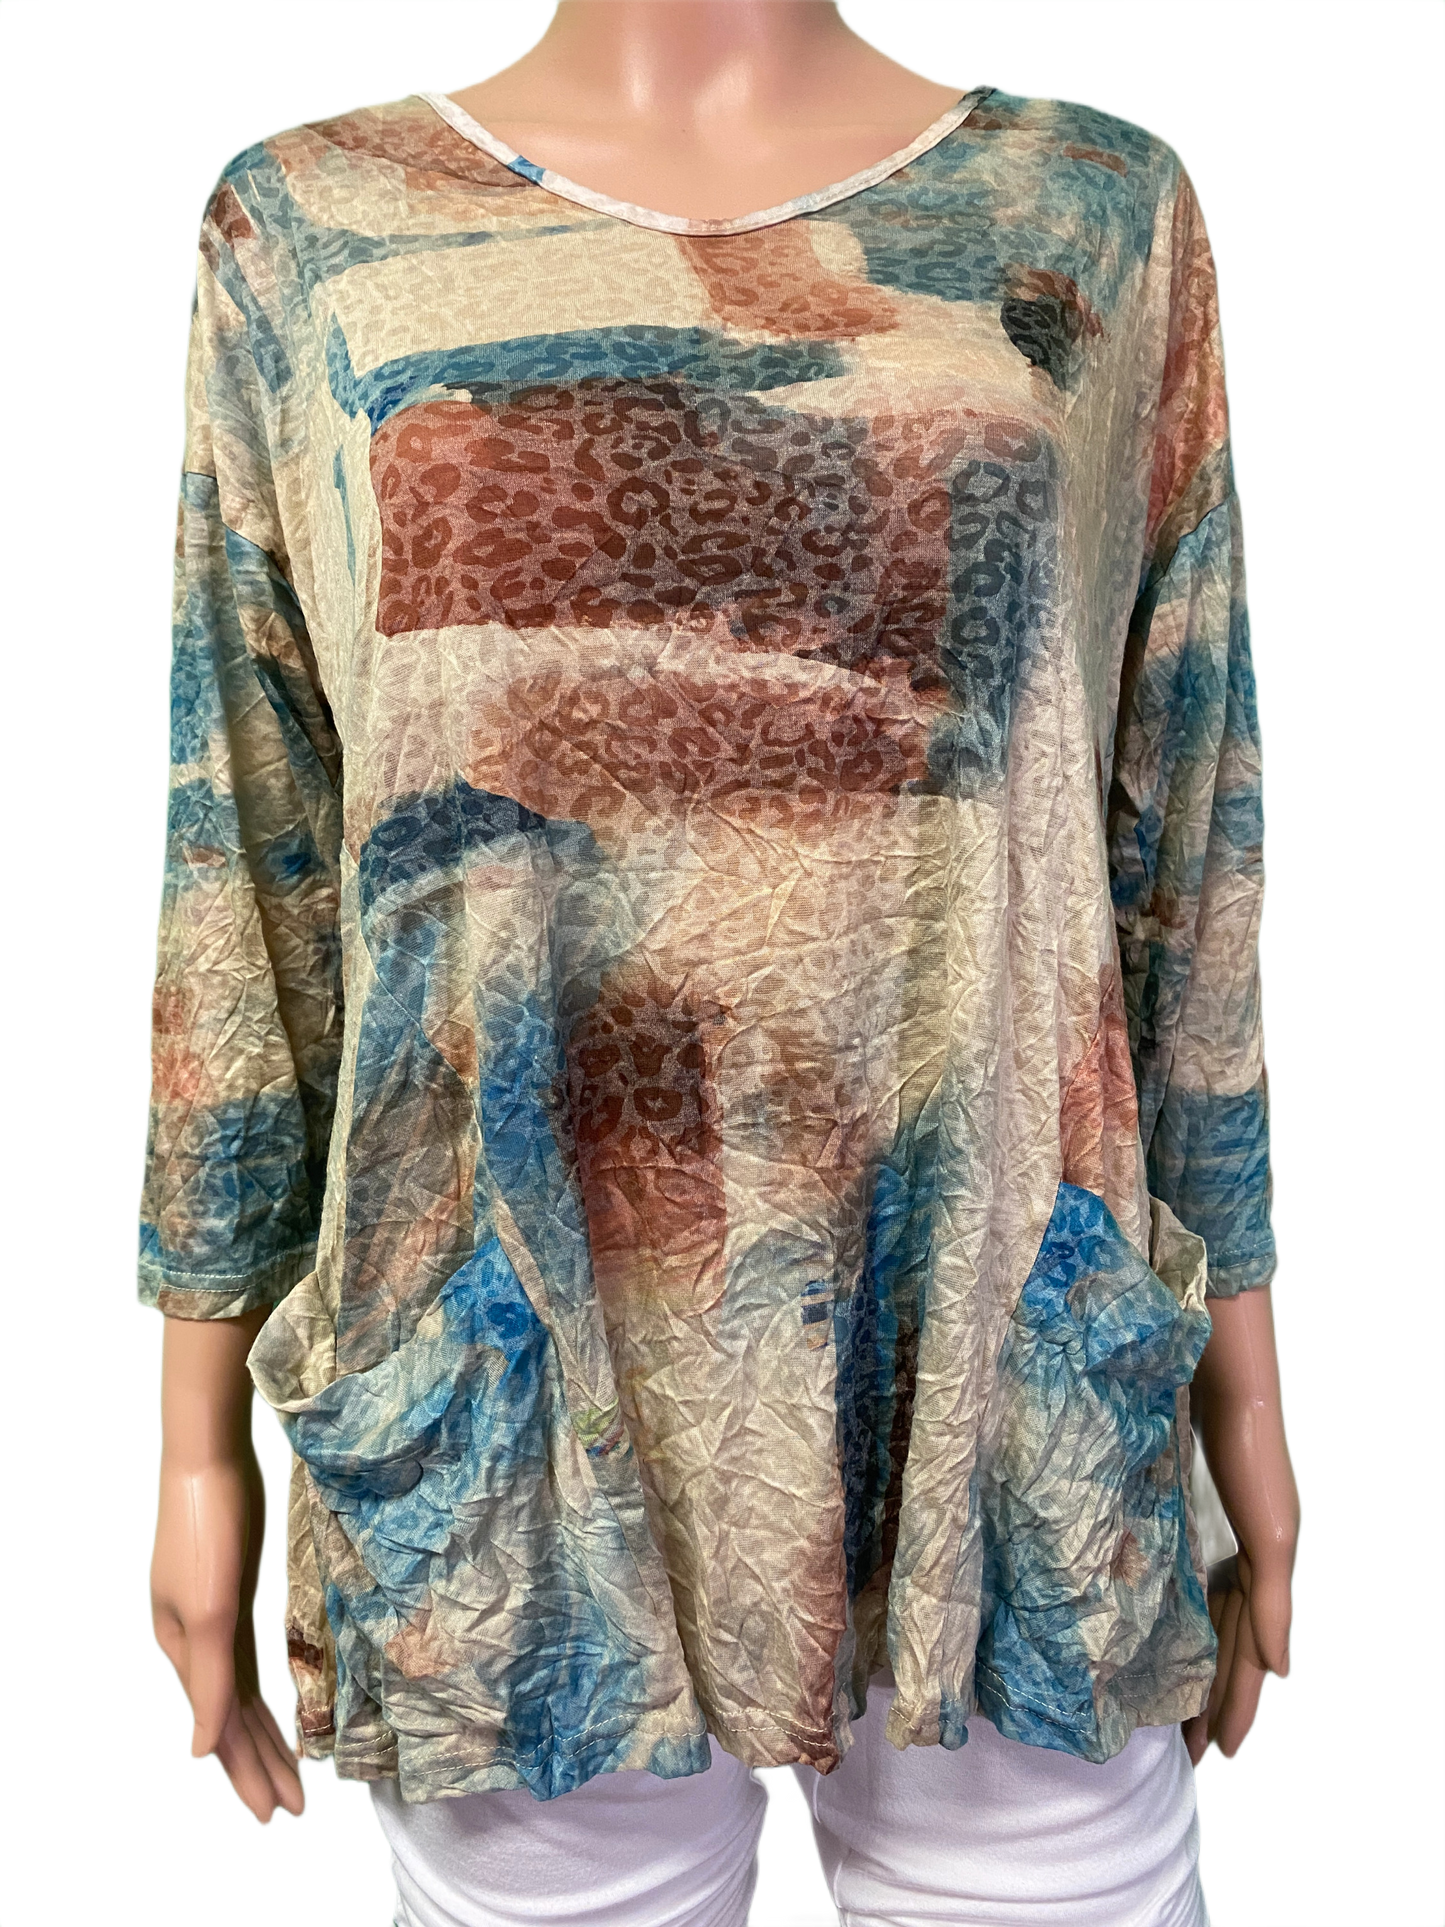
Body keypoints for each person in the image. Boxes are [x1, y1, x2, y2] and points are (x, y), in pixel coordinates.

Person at [140, 4, 1303, 1923]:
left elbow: (1188, 832)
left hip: (992, 1371)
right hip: (518, 1392)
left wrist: (1242, 1383)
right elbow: (244, 859)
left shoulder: (1100, 205)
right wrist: (200, 1448)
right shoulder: (309, 222)